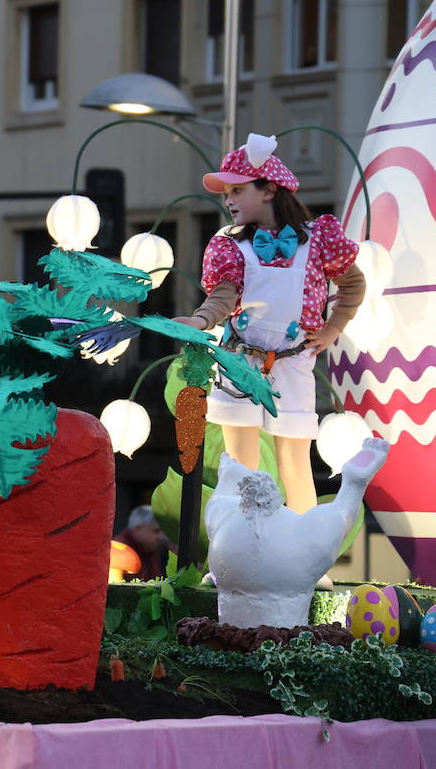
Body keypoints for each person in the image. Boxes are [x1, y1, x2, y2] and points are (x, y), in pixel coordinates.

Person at [172, 134, 365, 517]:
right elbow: (224, 297)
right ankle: (237, 551)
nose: (228, 200)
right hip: (240, 362)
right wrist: (199, 320)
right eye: (226, 192)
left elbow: (353, 284)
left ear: (269, 190)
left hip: (294, 362)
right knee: (240, 464)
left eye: (237, 190)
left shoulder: (318, 239)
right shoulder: (230, 245)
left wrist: (332, 329)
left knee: (295, 460)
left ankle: (307, 555)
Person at [113, 505, 171, 581]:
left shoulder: (150, 548)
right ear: (138, 528)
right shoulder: (119, 549)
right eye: (156, 531)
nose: (160, 536)